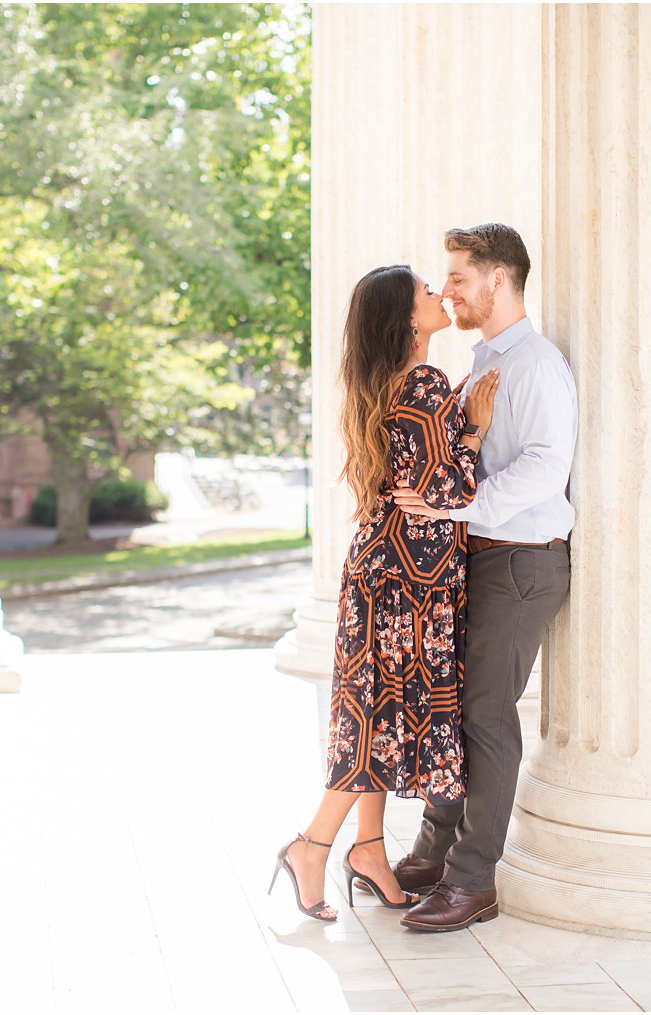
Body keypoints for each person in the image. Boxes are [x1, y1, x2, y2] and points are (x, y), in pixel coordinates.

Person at [270, 264, 501, 921]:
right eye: (429, 292)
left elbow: (420, 480)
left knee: (373, 711)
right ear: (407, 318)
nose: (440, 296)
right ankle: (312, 845)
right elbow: (449, 493)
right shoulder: (424, 381)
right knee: (376, 721)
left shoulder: (385, 384)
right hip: (410, 582)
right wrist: (476, 429)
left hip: (381, 570)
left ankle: (367, 848)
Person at [390, 223, 577, 932]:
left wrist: (455, 503)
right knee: (455, 710)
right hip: (482, 557)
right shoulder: (485, 362)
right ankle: (436, 855)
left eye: (459, 277)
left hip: (522, 563)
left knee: (485, 718)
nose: (448, 290)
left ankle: (473, 882)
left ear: (498, 280)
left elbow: (544, 467)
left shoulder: (534, 363)